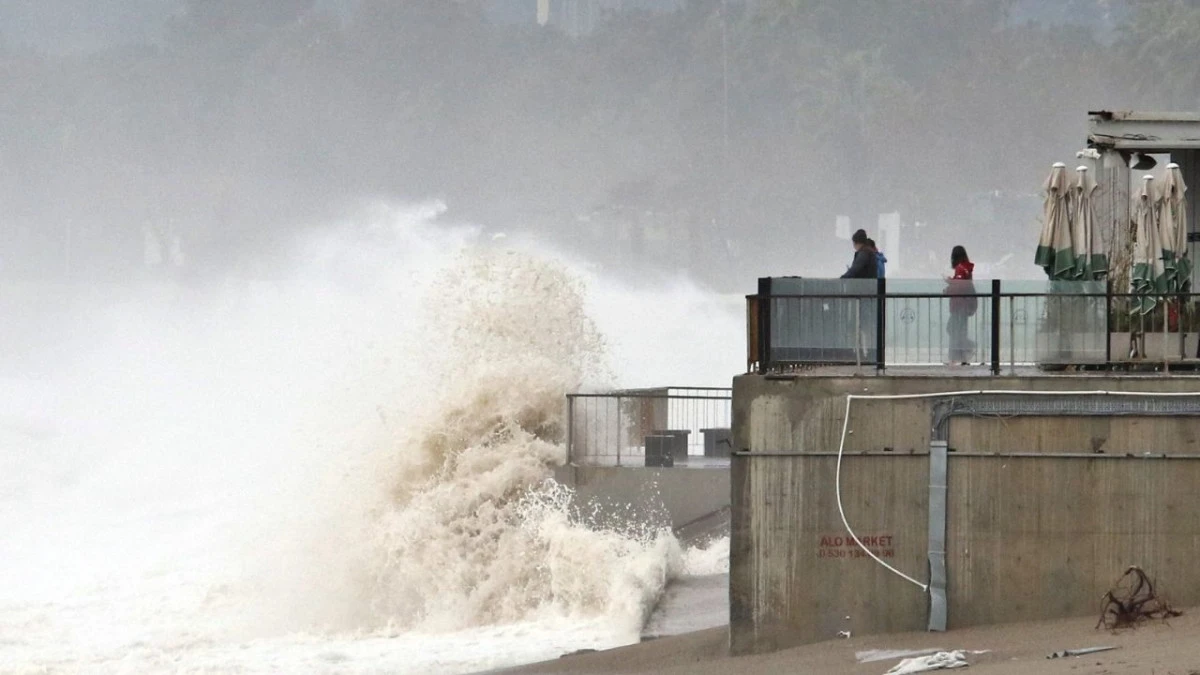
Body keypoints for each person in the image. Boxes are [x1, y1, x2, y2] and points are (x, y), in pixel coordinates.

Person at [945, 245, 976, 365]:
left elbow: (959, 286)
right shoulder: (966, 268)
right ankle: (962, 357)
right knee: (960, 330)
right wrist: (951, 281)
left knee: (952, 329)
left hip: (958, 304)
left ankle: (958, 355)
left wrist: (948, 289)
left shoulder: (959, 268)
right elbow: (963, 284)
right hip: (965, 304)